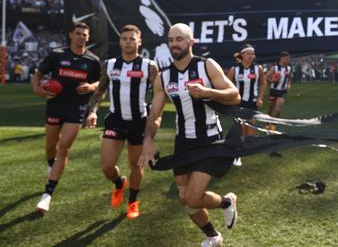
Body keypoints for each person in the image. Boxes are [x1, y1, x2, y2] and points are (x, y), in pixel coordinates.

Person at [138, 23, 240, 247]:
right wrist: (147, 139)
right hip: (183, 141)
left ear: (191, 42)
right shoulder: (163, 78)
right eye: (171, 40)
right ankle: (213, 235)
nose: (174, 44)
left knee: (194, 197)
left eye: (180, 39)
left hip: (210, 139)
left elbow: (234, 96)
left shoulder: (207, 66)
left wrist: (207, 92)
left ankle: (226, 202)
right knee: (185, 199)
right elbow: (154, 115)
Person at [85, 25, 159, 219]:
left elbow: (159, 95)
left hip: (138, 122)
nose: (128, 42)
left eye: (132, 39)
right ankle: (119, 183)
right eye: (124, 38)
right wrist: (93, 111)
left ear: (139, 42)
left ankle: (133, 200)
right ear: (119, 41)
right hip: (115, 120)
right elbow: (100, 90)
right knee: (107, 167)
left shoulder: (149, 66)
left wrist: (153, 118)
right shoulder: (109, 65)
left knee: (136, 165)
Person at [31, 22, 102, 213]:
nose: (81, 37)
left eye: (84, 35)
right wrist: (38, 89)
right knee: (50, 146)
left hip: (76, 109)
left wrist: (92, 87)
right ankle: (50, 166)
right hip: (55, 106)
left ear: (88, 38)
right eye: (78, 33)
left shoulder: (93, 61)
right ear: (71, 35)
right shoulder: (56, 55)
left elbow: (101, 83)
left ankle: (47, 196)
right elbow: (38, 75)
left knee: (64, 148)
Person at [226, 44, 267, 166]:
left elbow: (263, 83)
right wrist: (230, 97)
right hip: (239, 102)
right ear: (242, 55)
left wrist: (260, 98)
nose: (250, 56)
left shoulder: (258, 68)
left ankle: (243, 148)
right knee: (241, 128)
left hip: (252, 103)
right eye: (248, 53)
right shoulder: (235, 69)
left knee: (250, 131)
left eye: (252, 54)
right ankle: (236, 155)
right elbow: (226, 83)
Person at [265, 51, 291, 120]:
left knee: (278, 109)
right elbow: (266, 77)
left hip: (282, 91)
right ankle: (268, 122)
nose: (288, 61)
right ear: (281, 59)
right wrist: (272, 81)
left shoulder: (288, 68)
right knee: (270, 109)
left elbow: (289, 78)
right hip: (273, 90)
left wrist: (288, 85)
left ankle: (274, 124)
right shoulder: (275, 68)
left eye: (288, 59)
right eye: (286, 59)